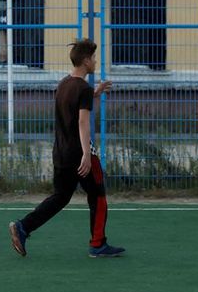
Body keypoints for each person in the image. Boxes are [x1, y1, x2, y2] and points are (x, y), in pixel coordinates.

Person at [9, 38, 125, 258]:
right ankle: (98, 244)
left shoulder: (64, 84)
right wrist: (86, 156)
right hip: (79, 154)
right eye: (93, 57)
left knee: (61, 197)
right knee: (98, 196)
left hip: (60, 152)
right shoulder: (83, 88)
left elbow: (73, 103)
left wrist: (95, 93)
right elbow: (82, 122)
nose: (95, 61)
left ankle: (23, 227)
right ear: (85, 61)